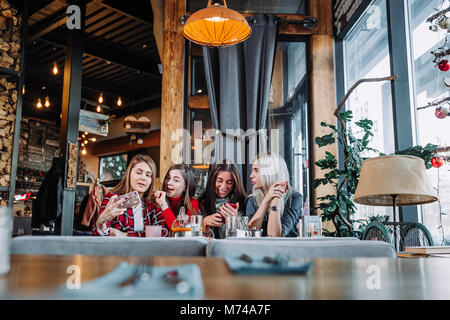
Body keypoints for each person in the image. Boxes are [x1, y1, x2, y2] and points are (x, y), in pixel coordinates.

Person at [92, 154, 165, 237]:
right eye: (138, 173)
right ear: (129, 173)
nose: (143, 178)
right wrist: (101, 221)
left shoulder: (153, 203)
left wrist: (125, 235)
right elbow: (98, 234)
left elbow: (162, 233)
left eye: (148, 175)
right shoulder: (113, 198)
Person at [246, 153, 303, 237]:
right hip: (258, 249)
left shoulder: (294, 198)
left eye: (256, 171)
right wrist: (266, 200)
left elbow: (275, 236)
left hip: (286, 248)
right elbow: (251, 232)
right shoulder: (252, 199)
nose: (251, 176)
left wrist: (275, 198)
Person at [198, 161, 247, 238]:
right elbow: (198, 242)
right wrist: (205, 224)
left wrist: (235, 221)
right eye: (219, 181)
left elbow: (248, 237)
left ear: (235, 184)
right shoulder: (201, 204)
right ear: (212, 180)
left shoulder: (243, 203)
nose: (223, 187)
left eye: (229, 183)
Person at [154, 164, 199, 231]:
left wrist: (164, 205)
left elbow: (179, 231)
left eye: (176, 180)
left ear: (185, 186)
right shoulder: (158, 199)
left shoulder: (192, 203)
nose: (169, 182)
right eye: (168, 178)